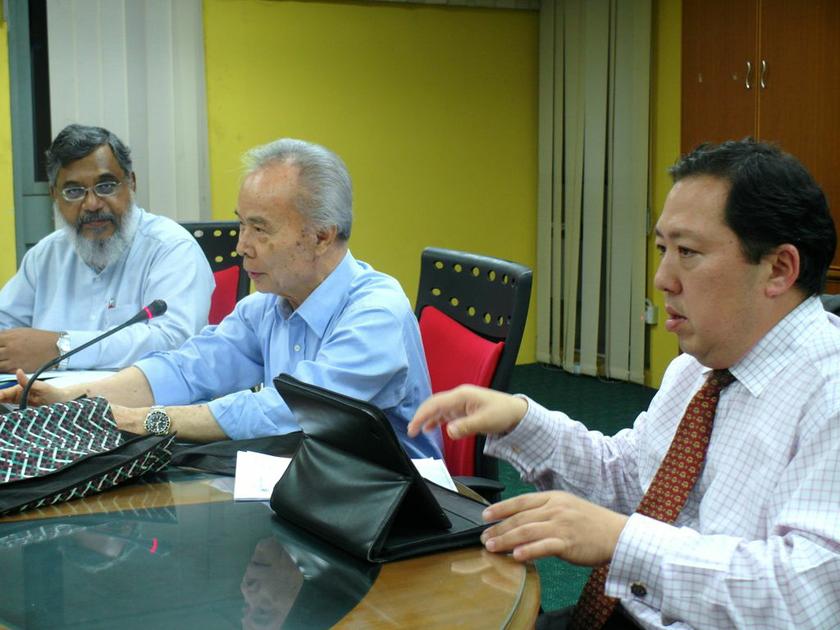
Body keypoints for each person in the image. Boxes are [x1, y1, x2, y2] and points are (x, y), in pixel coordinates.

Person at [409, 139, 840, 628]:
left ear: (779, 269)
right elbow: (634, 478)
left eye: (689, 252)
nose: (662, 278)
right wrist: (521, 421)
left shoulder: (829, 393)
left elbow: (806, 598)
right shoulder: (699, 367)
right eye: (662, 249)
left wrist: (623, 541)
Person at [4, 138, 441, 459]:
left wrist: (134, 419)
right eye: (241, 225)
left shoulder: (375, 311)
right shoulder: (267, 306)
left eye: (260, 228)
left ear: (321, 236)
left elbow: (289, 409)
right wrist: (78, 397)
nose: (241, 246)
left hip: (399, 510)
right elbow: (187, 369)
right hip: (310, 481)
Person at [0, 124, 214, 373]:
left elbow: (174, 341)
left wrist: (62, 348)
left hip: (142, 406)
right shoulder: (44, 256)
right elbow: (5, 325)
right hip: (48, 405)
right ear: (54, 195)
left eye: (106, 186)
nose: (91, 204)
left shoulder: (171, 248)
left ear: (131, 183)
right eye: (73, 191)